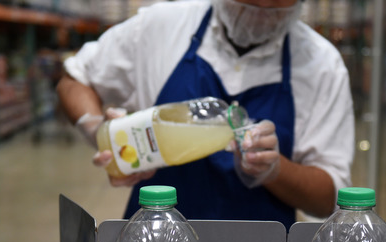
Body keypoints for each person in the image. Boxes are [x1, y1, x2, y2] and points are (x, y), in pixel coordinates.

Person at [57, 0, 354, 228]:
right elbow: (75, 79)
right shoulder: (161, 27)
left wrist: (275, 170)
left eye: (276, 6)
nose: (260, 13)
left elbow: (330, 198)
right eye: (248, 4)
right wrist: (99, 132)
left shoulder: (322, 66)